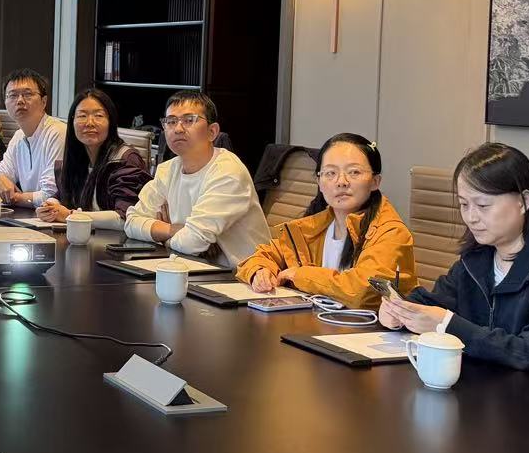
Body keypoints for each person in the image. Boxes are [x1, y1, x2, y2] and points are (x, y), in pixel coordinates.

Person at [378, 142, 529, 395]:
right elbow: (438, 303)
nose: (471, 217)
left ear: (524, 201)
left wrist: (448, 325)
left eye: (483, 206)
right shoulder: (479, 256)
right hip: (496, 396)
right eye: (464, 205)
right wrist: (401, 313)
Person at [236, 133, 416, 307]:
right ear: (319, 182)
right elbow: (263, 256)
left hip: (370, 326)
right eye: (330, 173)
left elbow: (364, 290)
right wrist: (259, 271)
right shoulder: (312, 227)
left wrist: (301, 275)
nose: (341, 182)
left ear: (375, 181)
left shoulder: (391, 232)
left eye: (354, 172)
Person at [124, 90, 270, 267]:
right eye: (171, 121)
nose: (178, 129)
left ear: (212, 132)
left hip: (241, 277)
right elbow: (131, 222)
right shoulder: (168, 170)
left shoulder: (228, 173)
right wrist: (172, 230)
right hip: (191, 267)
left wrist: (161, 235)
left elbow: (193, 242)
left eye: (189, 120)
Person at [36, 87, 150, 226]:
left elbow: (126, 218)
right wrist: (50, 206)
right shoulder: (78, 158)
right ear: (72, 122)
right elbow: (63, 195)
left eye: (99, 116)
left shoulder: (125, 160)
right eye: (82, 116)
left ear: (111, 121)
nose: (90, 123)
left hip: (116, 239)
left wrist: (70, 215)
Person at [0, 68, 67, 207]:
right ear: (5, 103)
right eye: (13, 95)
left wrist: (14, 197)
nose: (20, 101)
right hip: (31, 215)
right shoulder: (18, 136)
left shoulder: (57, 132)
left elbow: (51, 195)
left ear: (44, 101)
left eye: (28, 94)